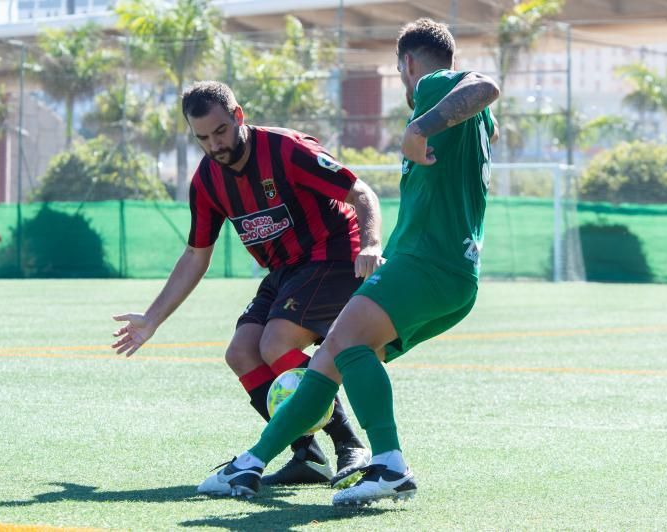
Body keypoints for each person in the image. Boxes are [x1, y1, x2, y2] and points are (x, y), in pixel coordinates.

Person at [198, 18, 500, 505]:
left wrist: (420, 124)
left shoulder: (435, 86)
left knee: (338, 346)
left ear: (406, 63)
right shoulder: (473, 121)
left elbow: (487, 85)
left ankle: (387, 464)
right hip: (454, 276)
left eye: (402, 74)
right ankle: (250, 466)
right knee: (339, 354)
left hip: (425, 263)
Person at [110, 81, 384, 489]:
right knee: (241, 353)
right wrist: (151, 320)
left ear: (238, 116)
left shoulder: (287, 149)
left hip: (333, 256)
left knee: (276, 343)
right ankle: (305, 452)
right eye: (202, 137)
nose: (214, 145)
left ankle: (351, 444)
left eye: (220, 131)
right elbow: (194, 256)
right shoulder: (206, 181)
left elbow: (361, 192)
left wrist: (373, 244)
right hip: (284, 271)